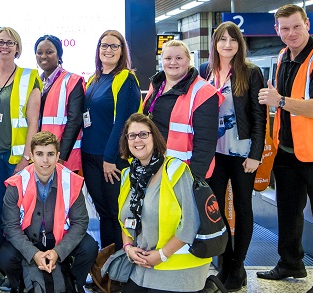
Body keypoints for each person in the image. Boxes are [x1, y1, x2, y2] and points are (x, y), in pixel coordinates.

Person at [256, 5, 313, 293]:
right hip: (287, 151)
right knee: (288, 211)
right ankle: (290, 262)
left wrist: (280, 101)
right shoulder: (284, 56)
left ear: (308, 24)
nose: (291, 33)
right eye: (285, 28)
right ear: (277, 31)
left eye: (296, 26)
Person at [204, 22, 266, 292]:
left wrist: (256, 154)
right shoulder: (207, 72)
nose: (227, 45)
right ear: (215, 44)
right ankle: (225, 261)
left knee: (242, 208)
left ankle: (238, 266)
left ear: (240, 44)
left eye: (233, 40)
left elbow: (258, 117)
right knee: (215, 210)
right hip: (214, 153)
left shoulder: (251, 72)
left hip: (242, 154)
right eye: (222, 40)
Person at [118, 113, 210, 292]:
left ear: (155, 137)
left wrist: (162, 255)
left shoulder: (176, 170)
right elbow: (125, 221)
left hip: (179, 268)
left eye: (144, 134)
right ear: (126, 141)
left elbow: (191, 223)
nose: (138, 140)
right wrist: (128, 248)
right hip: (144, 266)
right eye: (132, 135)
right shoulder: (127, 176)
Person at [0, 131, 98, 293]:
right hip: (29, 239)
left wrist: (58, 252)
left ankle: (73, 282)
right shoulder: (16, 184)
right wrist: (34, 254)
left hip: (59, 239)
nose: (45, 160)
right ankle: (19, 284)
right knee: (4, 255)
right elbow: (10, 227)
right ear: (31, 156)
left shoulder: (71, 181)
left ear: (58, 156)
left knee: (89, 247)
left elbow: (80, 223)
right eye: (39, 154)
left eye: (50, 154)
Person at [0, 27, 42, 240]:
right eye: (0, 42)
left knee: (16, 210)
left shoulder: (29, 76)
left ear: (17, 48)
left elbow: (34, 122)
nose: (4, 46)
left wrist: (26, 158)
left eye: (10, 42)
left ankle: (15, 258)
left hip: (16, 158)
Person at [82, 30, 140, 250]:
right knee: (104, 213)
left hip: (112, 159)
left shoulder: (125, 78)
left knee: (117, 215)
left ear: (122, 51)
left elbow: (124, 123)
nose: (108, 50)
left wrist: (110, 158)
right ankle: (107, 272)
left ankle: (119, 273)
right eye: (104, 45)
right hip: (89, 157)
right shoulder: (93, 80)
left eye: (114, 46)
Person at [139, 40, 221, 179]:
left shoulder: (203, 91)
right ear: (162, 60)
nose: (173, 62)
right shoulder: (156, 85)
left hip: (182, 171)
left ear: (188, 60)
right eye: (168, 58)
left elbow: (205, 143)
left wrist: (193, 180)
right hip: (153, 165)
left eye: (179, 58)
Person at [34, 34, 84, 171]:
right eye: (39, 53)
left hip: (64, 158)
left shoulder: (73, 81)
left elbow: (75, 121)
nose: (43, 56)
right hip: (41, 157)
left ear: (59, 54)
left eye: (49, 52)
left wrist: (60, 156)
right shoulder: (36, 83)